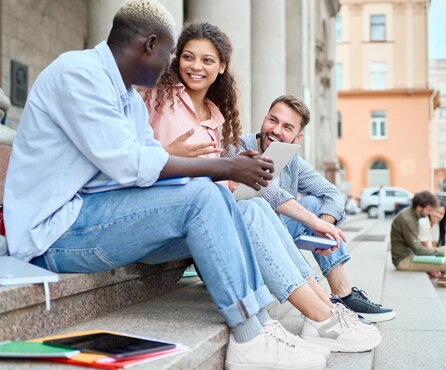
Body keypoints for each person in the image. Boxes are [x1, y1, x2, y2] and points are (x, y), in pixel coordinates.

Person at [4, 0, 328, 370]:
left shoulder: (128, 98)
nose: (171, 65)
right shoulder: (78, 74)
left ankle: (263, 324)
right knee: (204, 196)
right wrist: (222, 168)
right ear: (151, 44)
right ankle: (249, 337)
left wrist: (224, 171)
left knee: (227, 201)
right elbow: (130, 164)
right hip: (56, 232)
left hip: (99, 217)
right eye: (174, 53)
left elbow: (144, 163)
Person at [142, 22, 381, 353]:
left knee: (260, 206)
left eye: (208, 60)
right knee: (253, 209)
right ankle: (321, 316)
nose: (196, 67)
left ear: (222, 66)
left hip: (203, 218)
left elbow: (256, 186)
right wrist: (166, 155)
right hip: (165, 218)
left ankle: (325, 310)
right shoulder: (157, 98)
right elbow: (130, 155)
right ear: (176, 58)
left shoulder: (215, 118)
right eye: (189, 57)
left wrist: (318, 222)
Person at [230, 95, 396, 323]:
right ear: (264, 119)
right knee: (275, 207)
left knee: (317, 204)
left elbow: (333, 194)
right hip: (242, 242)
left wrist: (324, 226)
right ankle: (322, 309)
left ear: (297, 136)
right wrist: (312, 222)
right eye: (273, 120)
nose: (276, 130)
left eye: (287, 127)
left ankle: (343, 294)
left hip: (278, 236)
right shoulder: (238, 147)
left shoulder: (289, 159)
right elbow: (267, 191)